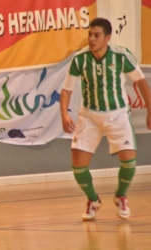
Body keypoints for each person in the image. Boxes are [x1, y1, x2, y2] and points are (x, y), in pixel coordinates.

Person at [60, 18, 151, 221]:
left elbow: (141, 83)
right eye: (90, 34)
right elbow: (66, 90)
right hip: (89, 115)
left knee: (129, 161)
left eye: (96, 35)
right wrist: (64, 113)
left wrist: (150, 110)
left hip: (117, 114)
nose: (91, 39)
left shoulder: (121, 55)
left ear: (107, 38)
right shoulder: (80, 59)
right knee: (78, 165)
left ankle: (120, 196)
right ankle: (93, 200)